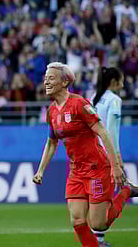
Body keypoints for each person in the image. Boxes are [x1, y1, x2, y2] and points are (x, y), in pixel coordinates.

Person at [32, 62, 138, 247]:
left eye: (51, 78)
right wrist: (41, 170)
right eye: (45, 78)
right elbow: (51, 143)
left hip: (97, 167)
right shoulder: (52, 111)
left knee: (99, 224)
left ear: (64, 82)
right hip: (76, 171)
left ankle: (127, 191)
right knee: (77, 220)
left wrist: (114, 166)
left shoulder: (79, 104)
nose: (46, 82)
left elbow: (103, 133)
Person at [90, 67, 125, 246]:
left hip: (91, 155)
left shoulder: (93, 98)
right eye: (121, 80)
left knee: (94, 198)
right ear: (113, 82)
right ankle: (100, 240)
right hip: (105, 156)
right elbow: (111, 130)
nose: (123, 84)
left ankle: (99, 240)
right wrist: (116, 157)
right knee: (104, 198)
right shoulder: (115, 100)